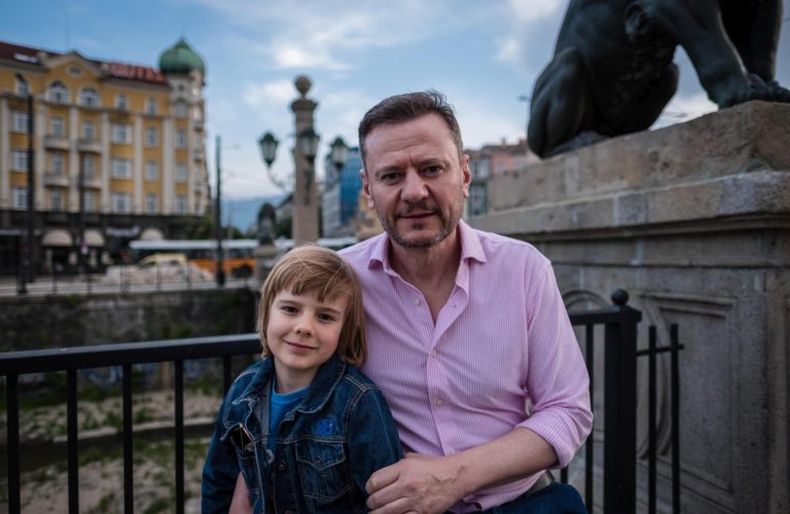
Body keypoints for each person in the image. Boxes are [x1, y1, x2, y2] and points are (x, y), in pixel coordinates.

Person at [339, 91, 593, 514]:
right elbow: (277, 392)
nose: (414, 192)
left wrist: (454, 476)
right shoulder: (340, 281)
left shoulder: (523, 269)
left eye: (431, 169)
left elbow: (568, 410)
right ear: (369, 188)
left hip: (523, 504)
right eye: (392, 176)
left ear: (465, 174)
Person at [202, 245, 403, 513]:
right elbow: (219, 479)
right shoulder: (241, 394)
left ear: (343, 329)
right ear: (267, 312)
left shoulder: (358, 404)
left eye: (325, 316)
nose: (305, 327)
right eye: (290, 309)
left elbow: (387, 500)